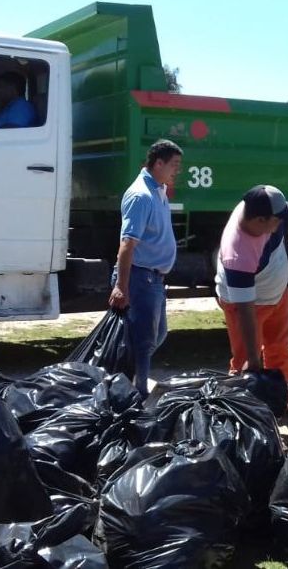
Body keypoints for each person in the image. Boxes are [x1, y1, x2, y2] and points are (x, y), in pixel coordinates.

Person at [215, 184, 288, 431]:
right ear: (261, 219)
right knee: (244, 363)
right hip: (247, 305)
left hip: (276, 296)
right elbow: (245, 311)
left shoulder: (256, 210)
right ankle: (242, 421)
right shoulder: (238, 253)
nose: (281, 226)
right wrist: (254, 360)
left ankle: (284, 405)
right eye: (278, 220)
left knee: (279, 352)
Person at [109, 139, 182, 397]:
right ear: (158, 163)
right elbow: (127, 245)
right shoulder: (141, 195)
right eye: (174, 165)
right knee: (143, 341)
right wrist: (121, 286)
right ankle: (137, 393)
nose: (178, 170)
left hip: (154, 279)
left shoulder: (158, 191)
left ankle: (123, 380)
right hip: (140, 278)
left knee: (156, 335)